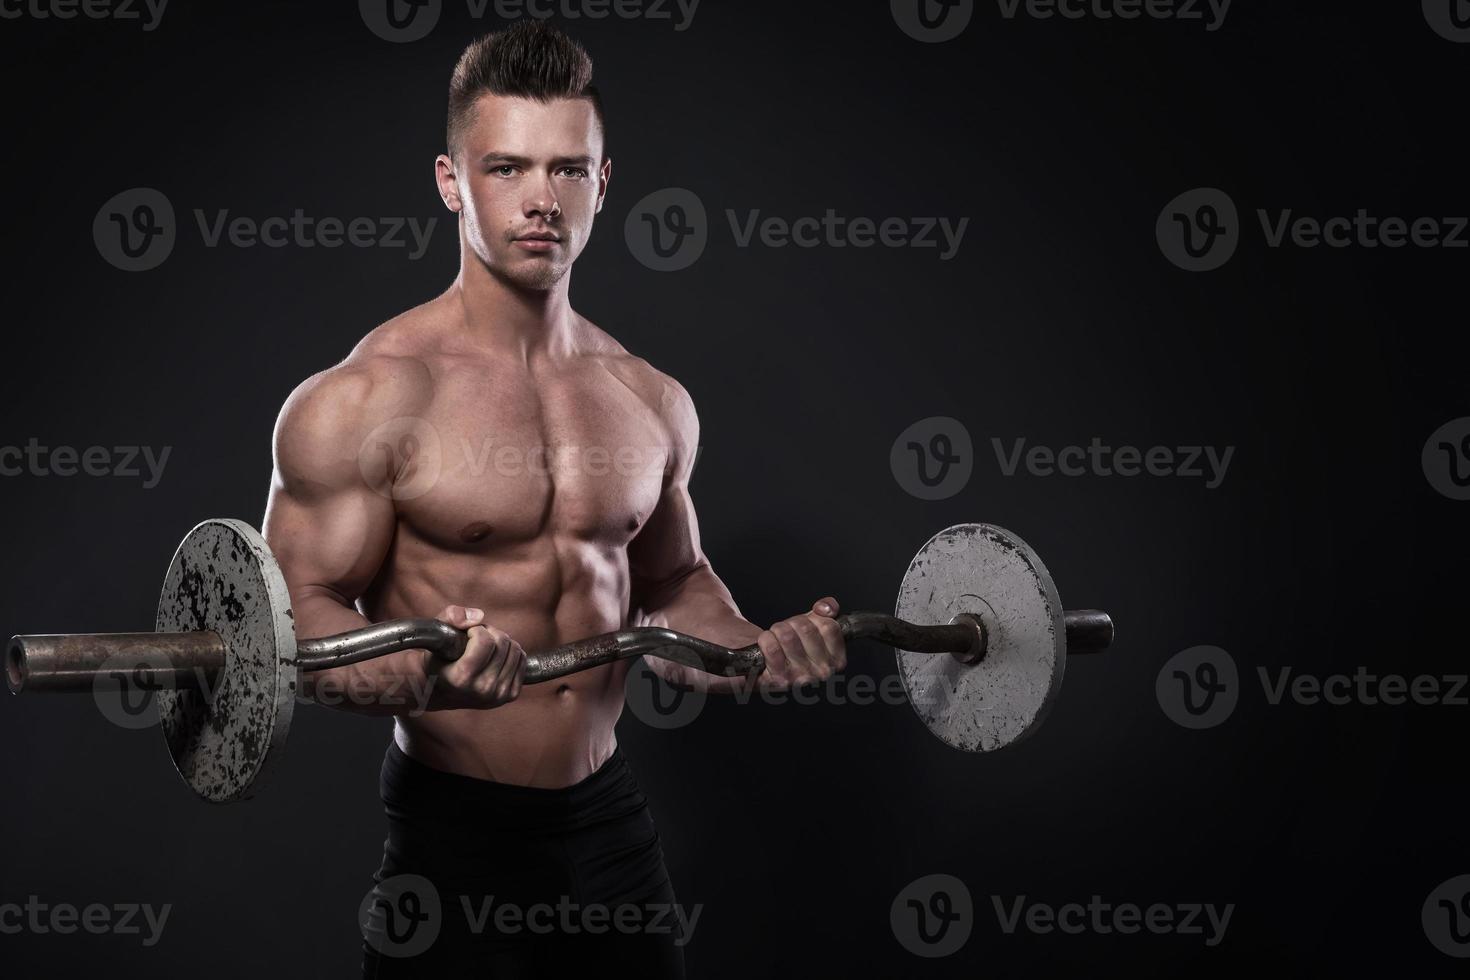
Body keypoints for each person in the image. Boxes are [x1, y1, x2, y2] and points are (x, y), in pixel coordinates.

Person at [259, 20, 846, 978]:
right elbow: (293, 632)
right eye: (507, 168)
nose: (542, 200)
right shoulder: (364, 400)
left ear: (603, 184)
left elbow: (673, 584)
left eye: (570, 170)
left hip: (610, 828)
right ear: (452, 182)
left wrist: (751, 652)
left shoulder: (649, 398)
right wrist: (423, 673)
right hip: (452, 844)